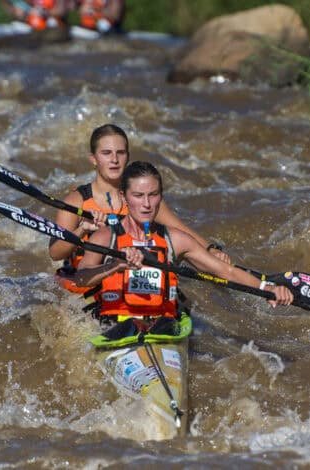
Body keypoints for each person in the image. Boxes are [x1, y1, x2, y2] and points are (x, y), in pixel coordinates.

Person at [72, 161, 292, 328]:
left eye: (153, 195)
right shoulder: (105, 237)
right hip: (116, 326)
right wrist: (116, 265)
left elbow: (225, 272)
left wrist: (268, 289)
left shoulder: (176, 240)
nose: (147, 204)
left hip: (162, 327)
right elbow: (81, 278)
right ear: (124, 196)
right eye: (138, 196)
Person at [48, 124, 230, 294]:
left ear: (127, 156)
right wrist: (82, 228)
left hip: (130, 280)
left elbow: (181, 233)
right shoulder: (77, 201)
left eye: (120, 153)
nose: (114, 160)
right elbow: (55, 253)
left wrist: (211, 249)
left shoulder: (144, 200)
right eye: (106, 153)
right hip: (87, 280)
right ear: (93, 159)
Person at [2, 0, 71, 31]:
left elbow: (61, 10)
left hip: (53, 22)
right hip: (33, 23)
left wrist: (46, 13)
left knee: (53, 22)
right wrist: (29, 10)